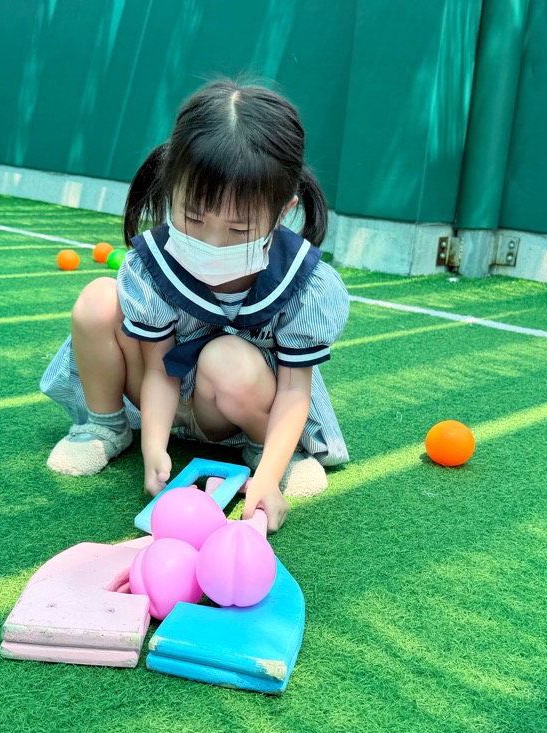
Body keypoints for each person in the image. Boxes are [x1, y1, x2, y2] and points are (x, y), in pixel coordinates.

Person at [40, 79, 349, 532]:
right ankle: (105, 428)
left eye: (239, 229)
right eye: (193, 217)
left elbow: (293, 391)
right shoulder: (151, 266)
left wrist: (267, 480)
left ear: (283, 211)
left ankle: (269, 451)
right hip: (163, 397)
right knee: (97, 301)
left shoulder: (307, 284)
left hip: (238, 404)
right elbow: (159, 370)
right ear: (172, 188)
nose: (212, 242)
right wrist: (155, 448)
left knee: (226, 356)